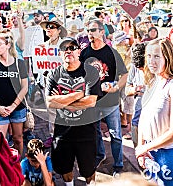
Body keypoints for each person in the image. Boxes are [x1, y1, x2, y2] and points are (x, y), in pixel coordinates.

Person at [46, 37, 102, 186]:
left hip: (86, 131)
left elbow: (90, 102)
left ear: (79, 51)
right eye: (65, 48)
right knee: (64, 168)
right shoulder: (54, 74)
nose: (68, 51)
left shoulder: (90, 72)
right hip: (62, 132)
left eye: (72, 48)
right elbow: (49, 102)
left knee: (89, 170)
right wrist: (79, 94)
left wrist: (62, 100)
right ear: (60, 53)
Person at [135, 38, 173, 186]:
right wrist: (142, 149)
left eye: (157, 56)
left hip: (170, 155)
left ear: (168, 57)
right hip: (150, 151)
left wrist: (143, 148)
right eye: (149, 56)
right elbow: (143, 118)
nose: (151, 61)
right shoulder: (153, 81)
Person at [79, 19, 128, 177]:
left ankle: (118, 165)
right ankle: (100, 156)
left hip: (110, 102)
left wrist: (116, 87)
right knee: (95, 133)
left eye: (93, 30)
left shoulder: (111, 53)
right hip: (92, 101)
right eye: (88, 30)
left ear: (102, 32)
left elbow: (124, 74)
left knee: (115, 135)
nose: (90, 33)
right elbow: (80, 75)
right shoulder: (85, 53)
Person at [0, 32, 28, 155]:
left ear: (8, 45)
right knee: (0, 142)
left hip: (17, 108)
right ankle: (4, 167)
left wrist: (13, 106)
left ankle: (17, 165)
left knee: (18, 139)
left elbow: (25, 87)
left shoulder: (20, 64)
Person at [124, 43, 146, 145]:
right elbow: (127, 90)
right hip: (139, 104)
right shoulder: (134, 66)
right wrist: (135, 89)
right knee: (135, 123)